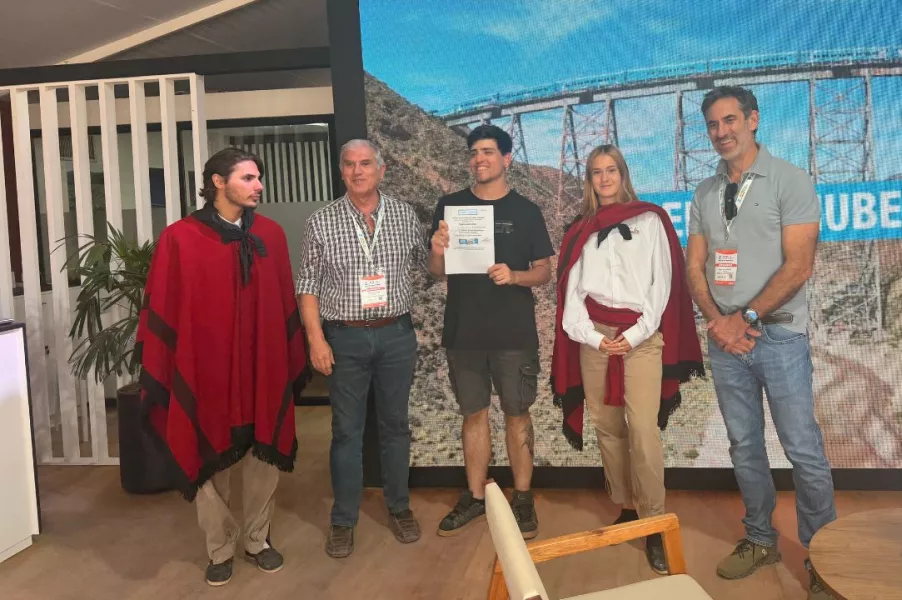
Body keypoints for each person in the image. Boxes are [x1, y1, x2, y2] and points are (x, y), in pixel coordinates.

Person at [685, 86, 837, 599]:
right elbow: (694, 266)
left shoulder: (790, 180)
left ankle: (823, 557)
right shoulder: (704, 192)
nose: (721, 132)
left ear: (752, 120)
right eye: (712, 124)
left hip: (780, 336)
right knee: (744, 446)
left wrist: (745, 317)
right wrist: (720, 323)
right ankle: (759, 539)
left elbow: (799, 266)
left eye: (730, 120)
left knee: (803, 450)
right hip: (727, 341)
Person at [135, 147, 307, 586]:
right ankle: (220, 547)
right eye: (248, 178)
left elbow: (281, 301)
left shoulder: (270, 235)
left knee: (265, 452)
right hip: (206, 370)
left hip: (262, 366)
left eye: (259, 177)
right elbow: (166, 307)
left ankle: (257, 539)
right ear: (217, 182)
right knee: (207, 453)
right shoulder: (179, 239)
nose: (259, 186)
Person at [550, 145, 704, 574]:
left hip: (642, 336)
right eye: (596, 172)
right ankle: (627, 506)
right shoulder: (580, 229)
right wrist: (595, 339)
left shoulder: (651, 220)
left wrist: (633, 336)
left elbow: (662, 285)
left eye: (611, 170)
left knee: (642, 428)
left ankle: (654, 521)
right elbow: (571, 295)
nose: (604, 178)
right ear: (589, 179)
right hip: (594, 338)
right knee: (607, 426)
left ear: (623, 174)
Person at [296, 139, 425, 558]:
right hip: (344, 337)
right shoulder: (321, 222)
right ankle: (343, 519)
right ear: (342, 172)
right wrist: (316, 339)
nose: (357, 171)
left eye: (365, 163)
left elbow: (431, 268)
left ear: (381, 170)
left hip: (395, 334)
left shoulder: (404, 215)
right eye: (349, 164)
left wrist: (444, 250)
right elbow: (308, 285)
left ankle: (399, 508)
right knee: (346, 432)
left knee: (396, 426)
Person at [428, 124, 554, 540]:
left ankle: (523, 497)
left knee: (517, 414)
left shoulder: (527, 211)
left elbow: (543, 271)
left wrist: (514, 276)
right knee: (473, 414)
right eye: (473, 152)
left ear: (506, 158)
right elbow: (437, 272)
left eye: (487, 151)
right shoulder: (450, 206)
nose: (478, 159)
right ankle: (476, 496)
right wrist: (437, 250)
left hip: (514, 334)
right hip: (464, 331)